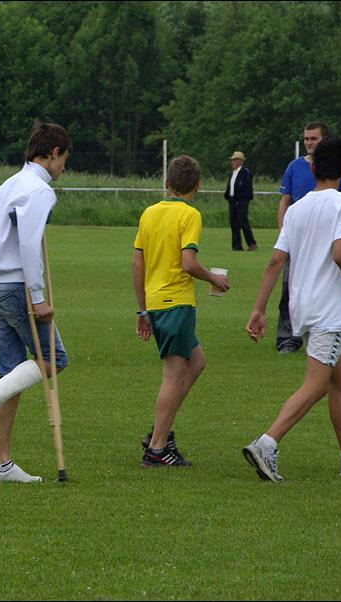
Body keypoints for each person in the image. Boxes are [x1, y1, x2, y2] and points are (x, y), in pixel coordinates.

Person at [242, 136, 341, 482]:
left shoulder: (295, 209)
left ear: (311, 170)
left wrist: (259, 309)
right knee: (315, 386)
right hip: (327, 310)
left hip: (302, 306)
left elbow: (275, 261)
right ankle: (266, 443)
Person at [0, 120, 71, 483]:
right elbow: (29, 244)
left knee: (11, 374)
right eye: (64, 159)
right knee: (54, 358)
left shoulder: (5, 186)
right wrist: (37, 298)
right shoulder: (39, 190)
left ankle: (0, 463)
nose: (63, 167)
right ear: (53, 153)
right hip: (13, 285)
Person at [132, 155, 230, 467]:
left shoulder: (149, 213)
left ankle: (159, 430)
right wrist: (213, 278)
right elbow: (188, 263)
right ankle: (157, 449)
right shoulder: (190, 215)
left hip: (156, 303)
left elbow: (137, 262)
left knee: (196, 362)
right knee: (173, 374)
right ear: (197, 185)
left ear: (167, 183)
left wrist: (142, 310)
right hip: (176, 303)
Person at [276, 121, 341, 353]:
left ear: (325, 140)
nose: (309, 143)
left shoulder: (340, 167)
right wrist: (284, 234)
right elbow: (284, 202)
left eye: (314, 139)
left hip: (329, 239)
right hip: (300, 237)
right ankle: (289, 336)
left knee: (335, 284)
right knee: (289, 285)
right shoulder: (295, 166)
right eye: (306, 139)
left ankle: (338, 332)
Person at [224, 151, 257, 251]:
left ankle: (251, 243)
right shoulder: (232, 173)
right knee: (234, 223)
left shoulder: (245, 173)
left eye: (235, 160)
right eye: (232, 160)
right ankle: (236, 245)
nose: (232, 162)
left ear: (240, 161)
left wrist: (242, 199)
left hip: (242, 201)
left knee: (243, 222)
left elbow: (247, 188)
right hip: (232, 201)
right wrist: (228, 196)